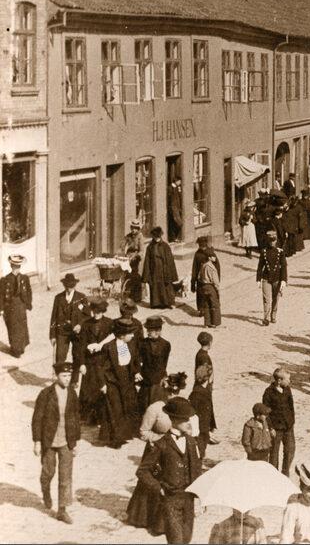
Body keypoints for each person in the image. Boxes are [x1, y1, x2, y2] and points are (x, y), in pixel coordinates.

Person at [135, 397, 203, 544]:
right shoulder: (161, 444)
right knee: (176, 540)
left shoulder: (191, 442)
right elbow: (142, 471)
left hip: (188, 500)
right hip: (171, 500)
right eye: (185, 419)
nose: (189, 422)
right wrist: (158, 487)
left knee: (186, 539)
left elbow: (196, 469)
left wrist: (200, 497)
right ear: (174, 420)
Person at [32, 362, 80, 524]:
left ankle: (62, 510)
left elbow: (76, 418)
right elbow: (37, 419)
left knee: (65, 476)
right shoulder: (45, 394)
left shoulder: (72, 393)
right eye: (64, 376)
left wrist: (76, 442)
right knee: (48, 472)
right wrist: (37, 441)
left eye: (69, 376)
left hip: (67, 440)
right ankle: (45, 490)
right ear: (56, 376)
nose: (67, 379)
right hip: (49, 440)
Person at [100, 319, 141, 448]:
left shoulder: (131, 345)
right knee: (115, 410)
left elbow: (134, 362)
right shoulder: (109, 347)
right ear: (122, 335)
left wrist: (136, 372)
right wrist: (103, 384)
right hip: (113, 381)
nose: (133, 336)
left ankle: (125, 435)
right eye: (130, 333)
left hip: (127, 381)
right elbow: (101, 367)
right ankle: (115, 439)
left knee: (127, 407)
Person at [50, 273, 87, 368]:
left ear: (74, 285)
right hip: (62, 332)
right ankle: (60, 375)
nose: (69, 289)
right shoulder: (58, 298)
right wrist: (52, 335)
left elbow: (87, 316)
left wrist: (80, 325)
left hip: (76, 333)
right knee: (60, 357)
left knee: (77, 357)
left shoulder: (81, 297)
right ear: (64, 285)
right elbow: (54, 317)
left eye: (71, 286)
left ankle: (74, 377)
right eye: (67, 286)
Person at [263, 368, 296, 476]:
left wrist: (291, 421)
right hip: (276, 429)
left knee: (290, 450)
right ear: (279, 380)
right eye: (288, 379)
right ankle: (274, 475)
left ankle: (285, 473)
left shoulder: (287, 389)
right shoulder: (268, 392)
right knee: (274, 453)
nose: (289, 381)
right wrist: (270, 428)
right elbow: (266, 413)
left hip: (288, 427)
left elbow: (291, 406)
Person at [0, 254, 32, 357]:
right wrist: (1, 309)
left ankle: (21, 347)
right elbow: (1, 295)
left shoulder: (24, 278)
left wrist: (28, 303)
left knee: (22, 327)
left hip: (21, 305)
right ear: (11, 266)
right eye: (15, 266)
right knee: (13, 328)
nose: (17, 269)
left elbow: (29, 291)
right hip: (10, 307)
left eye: (18, 266)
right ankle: (15, 349)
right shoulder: (5, 280)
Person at [142, 228, 179, 309]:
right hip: (154, 270)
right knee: (155, 286)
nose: (156, 238)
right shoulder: (150, 247)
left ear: (160, 236)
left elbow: (170, 261)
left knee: (167, 286)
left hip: (164, 269)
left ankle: (169, 303)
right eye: (155, 237)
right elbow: (147, 261)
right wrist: (146, 275)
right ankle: (156, 304)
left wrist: (171, 273)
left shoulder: (165, 246)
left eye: (158, 237)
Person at [257, 230, 288, 326]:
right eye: (270, 241)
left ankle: (273, 315)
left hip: (277, 279)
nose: (272, 243)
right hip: (266, 278)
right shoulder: (264, 252)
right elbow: (260, 266)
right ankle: (266, 318)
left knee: (276, 298)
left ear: (276, 240)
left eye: (273, 240)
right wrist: (258, 279)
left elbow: (284, 267)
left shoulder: (280, 252)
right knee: (266, 299)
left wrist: (284, 280)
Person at [191, 236, 222, 328]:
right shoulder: (201, 254)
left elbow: (217, 268)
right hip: (208, 282)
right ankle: (212, 319)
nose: (201, 247)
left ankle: (206, 318)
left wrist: (193, 282)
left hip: (204, 281)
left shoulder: (209, 254)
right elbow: (195, 269)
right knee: (210, 301)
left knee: (206, 300)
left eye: (202, 246)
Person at [188, 365, 215, 456]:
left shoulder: (203, 391)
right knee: (199, 453)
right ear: (208, 378)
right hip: (200, 430)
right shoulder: (198, 394)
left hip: (204, 428)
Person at [123, 219, 145, 302]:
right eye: (132, 228)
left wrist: (135, 256)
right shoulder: (128, 236)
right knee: (127, 275)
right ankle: (127, 293)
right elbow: (122, 245)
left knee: (136, 277)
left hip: (137, 259)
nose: (133, 230)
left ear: (138, 229)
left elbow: (141, 251)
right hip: (128, 257)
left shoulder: (140, 237)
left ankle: (137, 297)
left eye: (135, 228)